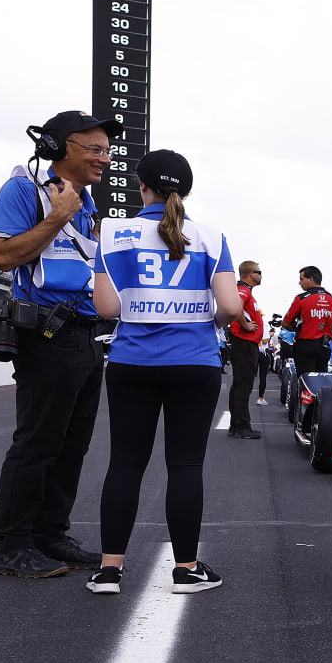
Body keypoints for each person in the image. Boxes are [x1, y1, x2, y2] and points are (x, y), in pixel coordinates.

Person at [86, 149, 242, 594]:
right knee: (186, 465)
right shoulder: (210, 237)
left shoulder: (114, 233)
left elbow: (106, 307)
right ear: (186, 191)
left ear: (143, 186)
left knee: (125, 464)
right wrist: (203, 319)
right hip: (194, 364)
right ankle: (186, 569)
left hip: (132, 362)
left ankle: (108, 571)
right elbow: (231, 306)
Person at [0, 110, 118, 577]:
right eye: (95, 149)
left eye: (107, 149)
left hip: (84, 336)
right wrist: (56, 216)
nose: (105, 158)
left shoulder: (86, 202)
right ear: (62, 147)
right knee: (38, 441)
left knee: (72, 444)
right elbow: (3, 254)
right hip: (45, 332)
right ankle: (10, 544)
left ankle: (49, 534)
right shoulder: (24, 189)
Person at [226, 260, 265, 439]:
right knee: (244, 386)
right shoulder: (243, 289)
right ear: (252, 274)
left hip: (244, 343)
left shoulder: (245, 290)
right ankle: (243, 426)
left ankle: (236, 425)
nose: (261, 275)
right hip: (244, 342)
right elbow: (235, 305)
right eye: (259, 272)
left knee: (239, 385)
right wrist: (245, 325)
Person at [281, 267, 332, 375]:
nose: (299, 282)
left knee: (305, 381)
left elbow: (285, 323)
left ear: (311, 279)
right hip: (325, 346)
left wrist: (297, 329)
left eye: (301, 279)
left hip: (306, 345)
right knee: (321, 381)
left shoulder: (301, 298)